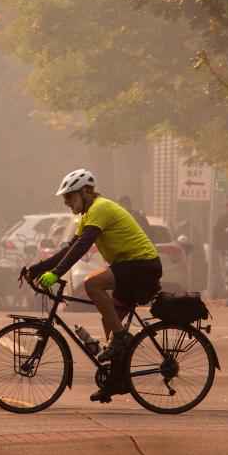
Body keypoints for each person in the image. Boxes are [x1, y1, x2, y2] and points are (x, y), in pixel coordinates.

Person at [26, 168, 162, 401]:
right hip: (130, 266)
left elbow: (82, 247)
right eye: (65, 198)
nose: (66, 202)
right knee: (109, 319)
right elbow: (70, 247)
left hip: (142, 265)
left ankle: (120, 339)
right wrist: (38, 267)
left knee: (92, 283)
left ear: (85, 192)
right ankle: (116, 380)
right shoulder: (89, 214)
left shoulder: (100, 208)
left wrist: (56, 273)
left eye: (70, 196)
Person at [210, 200, 228, 298]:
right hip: (220, 247)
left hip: (227, 248)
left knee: (226, 270)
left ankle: (224, 291)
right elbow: (217, 231)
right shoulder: (222, 218)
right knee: (219, 270)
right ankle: (217, 291)